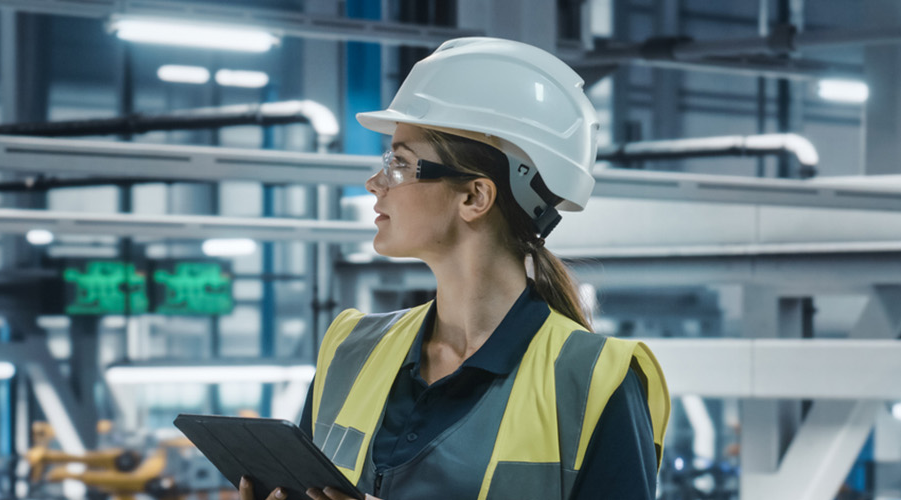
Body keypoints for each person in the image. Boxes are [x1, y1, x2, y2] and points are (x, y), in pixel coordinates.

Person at [239, 37, 671, 500]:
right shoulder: (350, 351)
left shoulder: (595, 381)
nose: (374, 183)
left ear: (474, 197)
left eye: (399, 164)